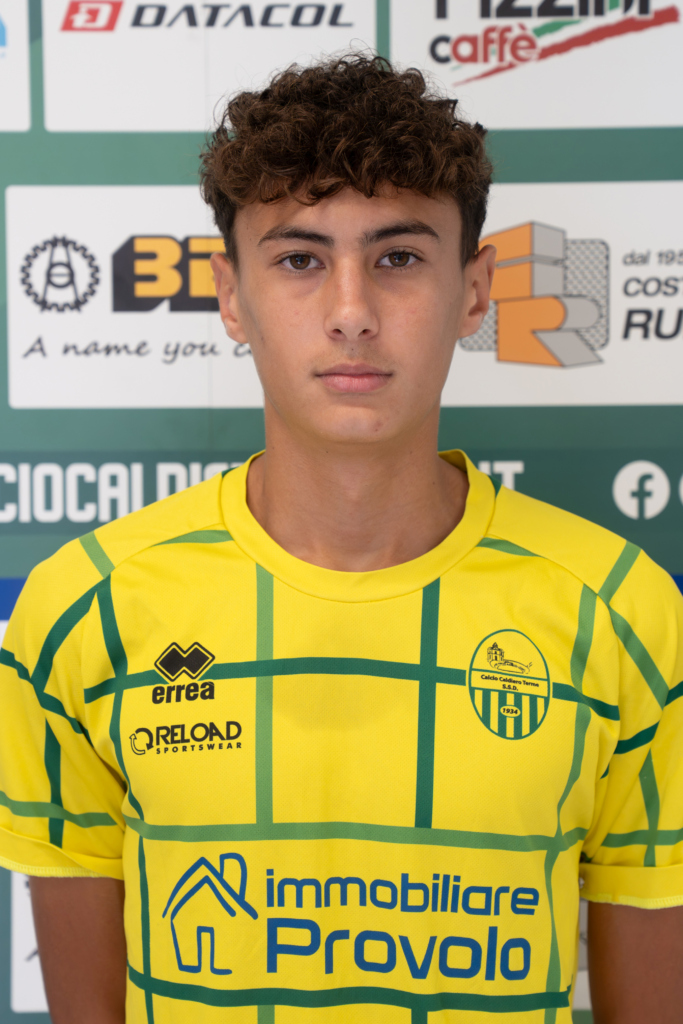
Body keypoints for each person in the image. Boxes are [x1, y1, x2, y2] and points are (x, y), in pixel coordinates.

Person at [0, 54, 681, 1024]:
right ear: (230, 295)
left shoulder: (621, 612)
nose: (351, 312)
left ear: (474, 289)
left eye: (397, 258)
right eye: (299, 259)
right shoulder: (87, 610)